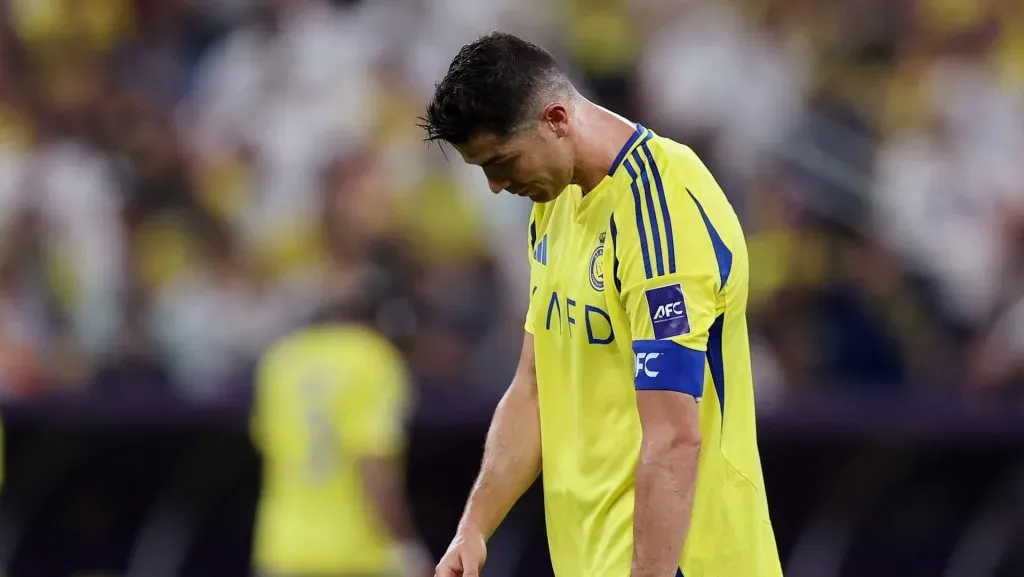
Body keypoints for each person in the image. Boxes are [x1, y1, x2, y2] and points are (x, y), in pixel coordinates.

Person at [420, 33, 783, 577]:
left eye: (502, 161)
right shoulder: (554, 200)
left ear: (556, 119)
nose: (496, 185)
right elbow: (534, 386)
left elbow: (675, 436)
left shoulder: (661, 211)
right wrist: (473, 528)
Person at [249, 269, 432, 577]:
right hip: (357, 555)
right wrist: (405, 546)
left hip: (282, 549)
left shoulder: (281, 358)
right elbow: (373, 464)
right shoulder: (372, 358)